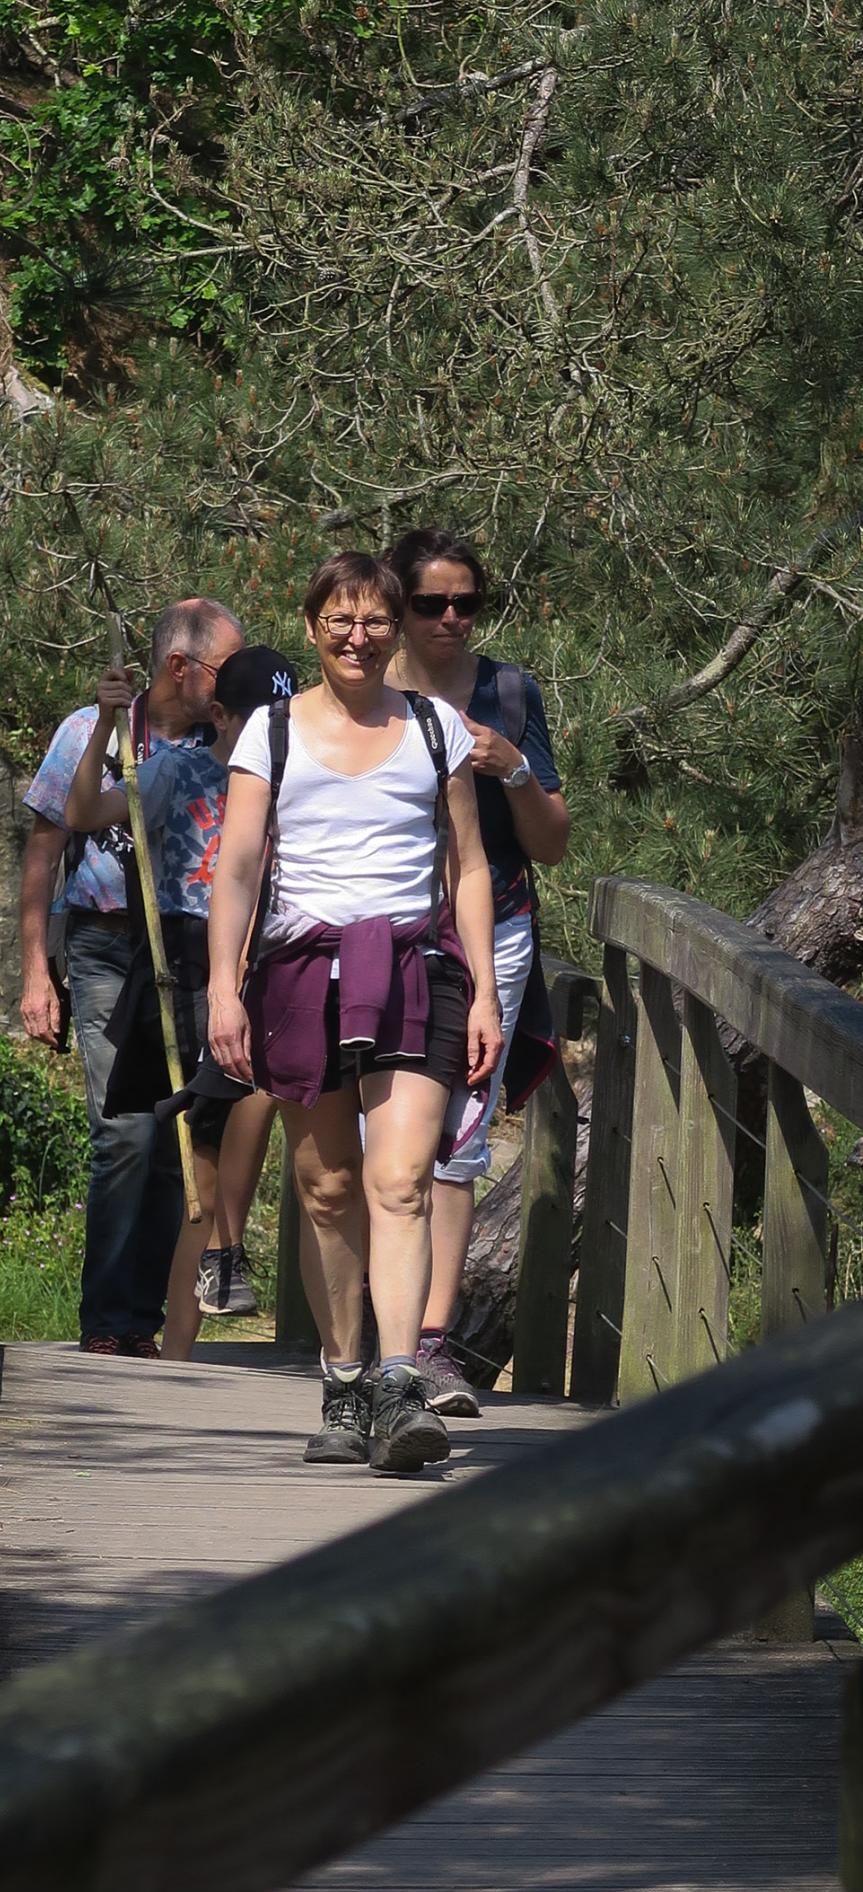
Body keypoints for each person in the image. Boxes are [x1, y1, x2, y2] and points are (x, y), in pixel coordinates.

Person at [207, 551, 502, 1473]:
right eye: (340, 619)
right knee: (327, 1189)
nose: (358, 636)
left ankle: (401, 1383)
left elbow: (470, 864)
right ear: (311, 627)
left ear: (392, 630)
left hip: (417, 967)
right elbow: (241, 866)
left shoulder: (434, 727)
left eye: (375, 620)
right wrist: (224, 984)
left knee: (401, 1179)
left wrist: (487, 987)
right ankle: (343, 1381)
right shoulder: (270, 733)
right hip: (302, 971)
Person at [19, 598, 244, 1355]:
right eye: (224, 667)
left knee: (174, 1130)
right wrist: (33, 973)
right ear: (180, 667)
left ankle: (144, 1316)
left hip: (189, 955)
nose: (233, 681)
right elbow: (47, 847)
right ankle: (109, 1320)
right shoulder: (92, 731)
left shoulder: (230, 742)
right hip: (108, 948)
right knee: (123, 1133)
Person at [64, 646, 297, 1360]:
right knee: (168, 1143)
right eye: (263, 720)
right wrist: (106, 725)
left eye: (286, 720)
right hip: (180, 963)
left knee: (231, 1139)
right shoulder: (178, 768)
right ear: (220, 716)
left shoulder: (299, 782)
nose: (276, 735)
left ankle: (212, 1284)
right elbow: (80, 813)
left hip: (268, 959)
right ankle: (148, 1334)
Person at [385, 527, 570, 1416]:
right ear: (398, 605)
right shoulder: (361, 689)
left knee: (457, 1139)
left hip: (490, 928)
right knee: (372, 1146)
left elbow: (553, 844)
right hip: (377, 931)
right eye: (431, 603)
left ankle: (431, 1347)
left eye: (467, 603)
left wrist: (514, 770)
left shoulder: (507, 693)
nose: (450, 619)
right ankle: (363, 1349)